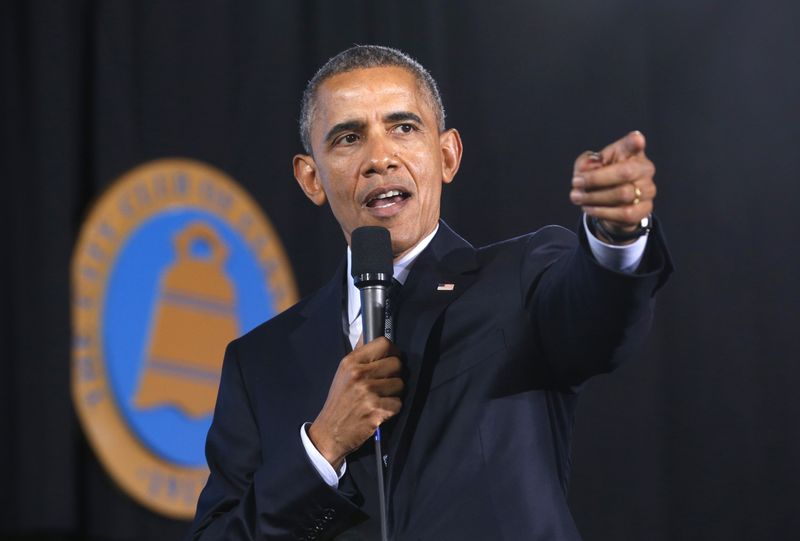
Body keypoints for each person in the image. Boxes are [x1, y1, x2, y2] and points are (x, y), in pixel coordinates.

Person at [190, 45, 672, 540]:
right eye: (349, 137)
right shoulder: (260, 364)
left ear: (447, 155)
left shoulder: (521, 280)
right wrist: (322, 445)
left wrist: (616, 236)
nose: (380, 158)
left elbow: (600, 321)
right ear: (311, 177)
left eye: (403, 128)